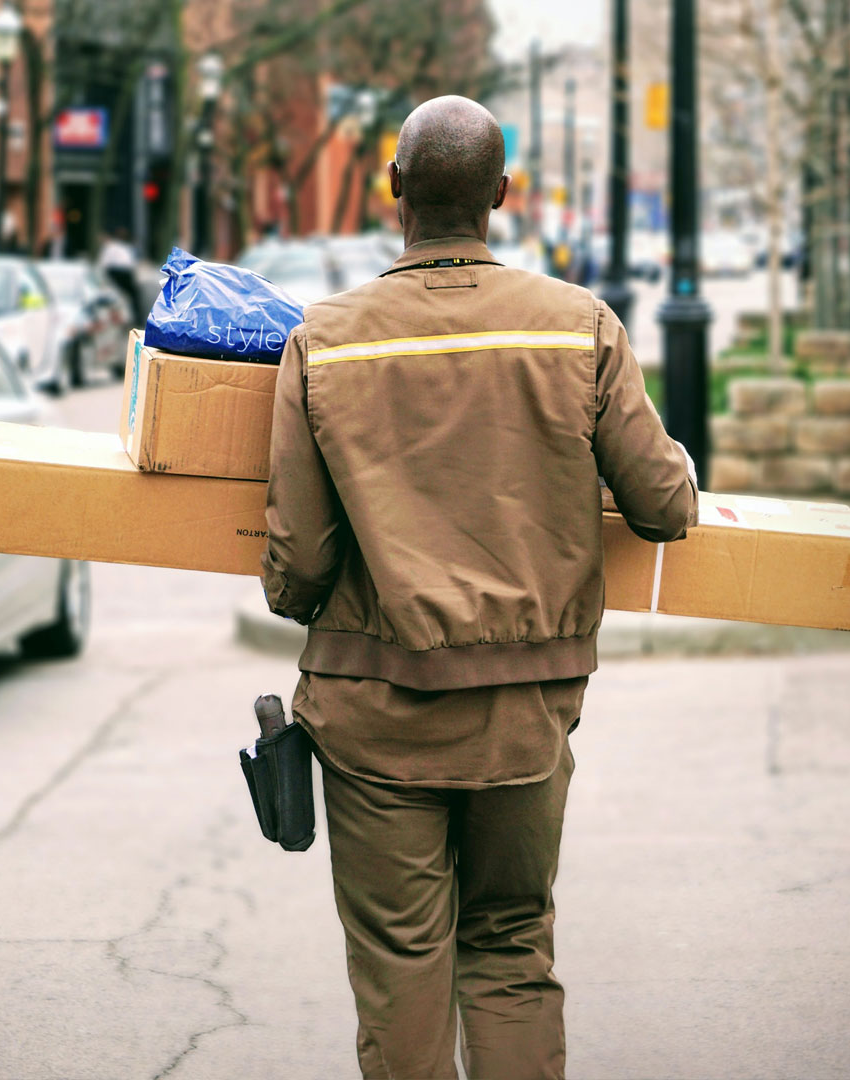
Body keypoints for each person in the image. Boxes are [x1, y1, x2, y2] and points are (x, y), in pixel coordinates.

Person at [261, 96, 697, 1079]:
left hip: (374, 715)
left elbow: (298, 566)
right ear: (503, 196)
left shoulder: (324, 342)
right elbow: (665, 506)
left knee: (403, 968)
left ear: (394, 192)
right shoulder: (577, 327)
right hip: (524, 718)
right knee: (507, 952)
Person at [97, 227, 141, 327]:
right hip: (117, 273)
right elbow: (104, 264)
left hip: (123, 274)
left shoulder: (124, 247)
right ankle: (130, 319)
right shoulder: (112, 246)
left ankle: (133, 319)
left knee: (132, 296)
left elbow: (131, 264)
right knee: (126, 296)